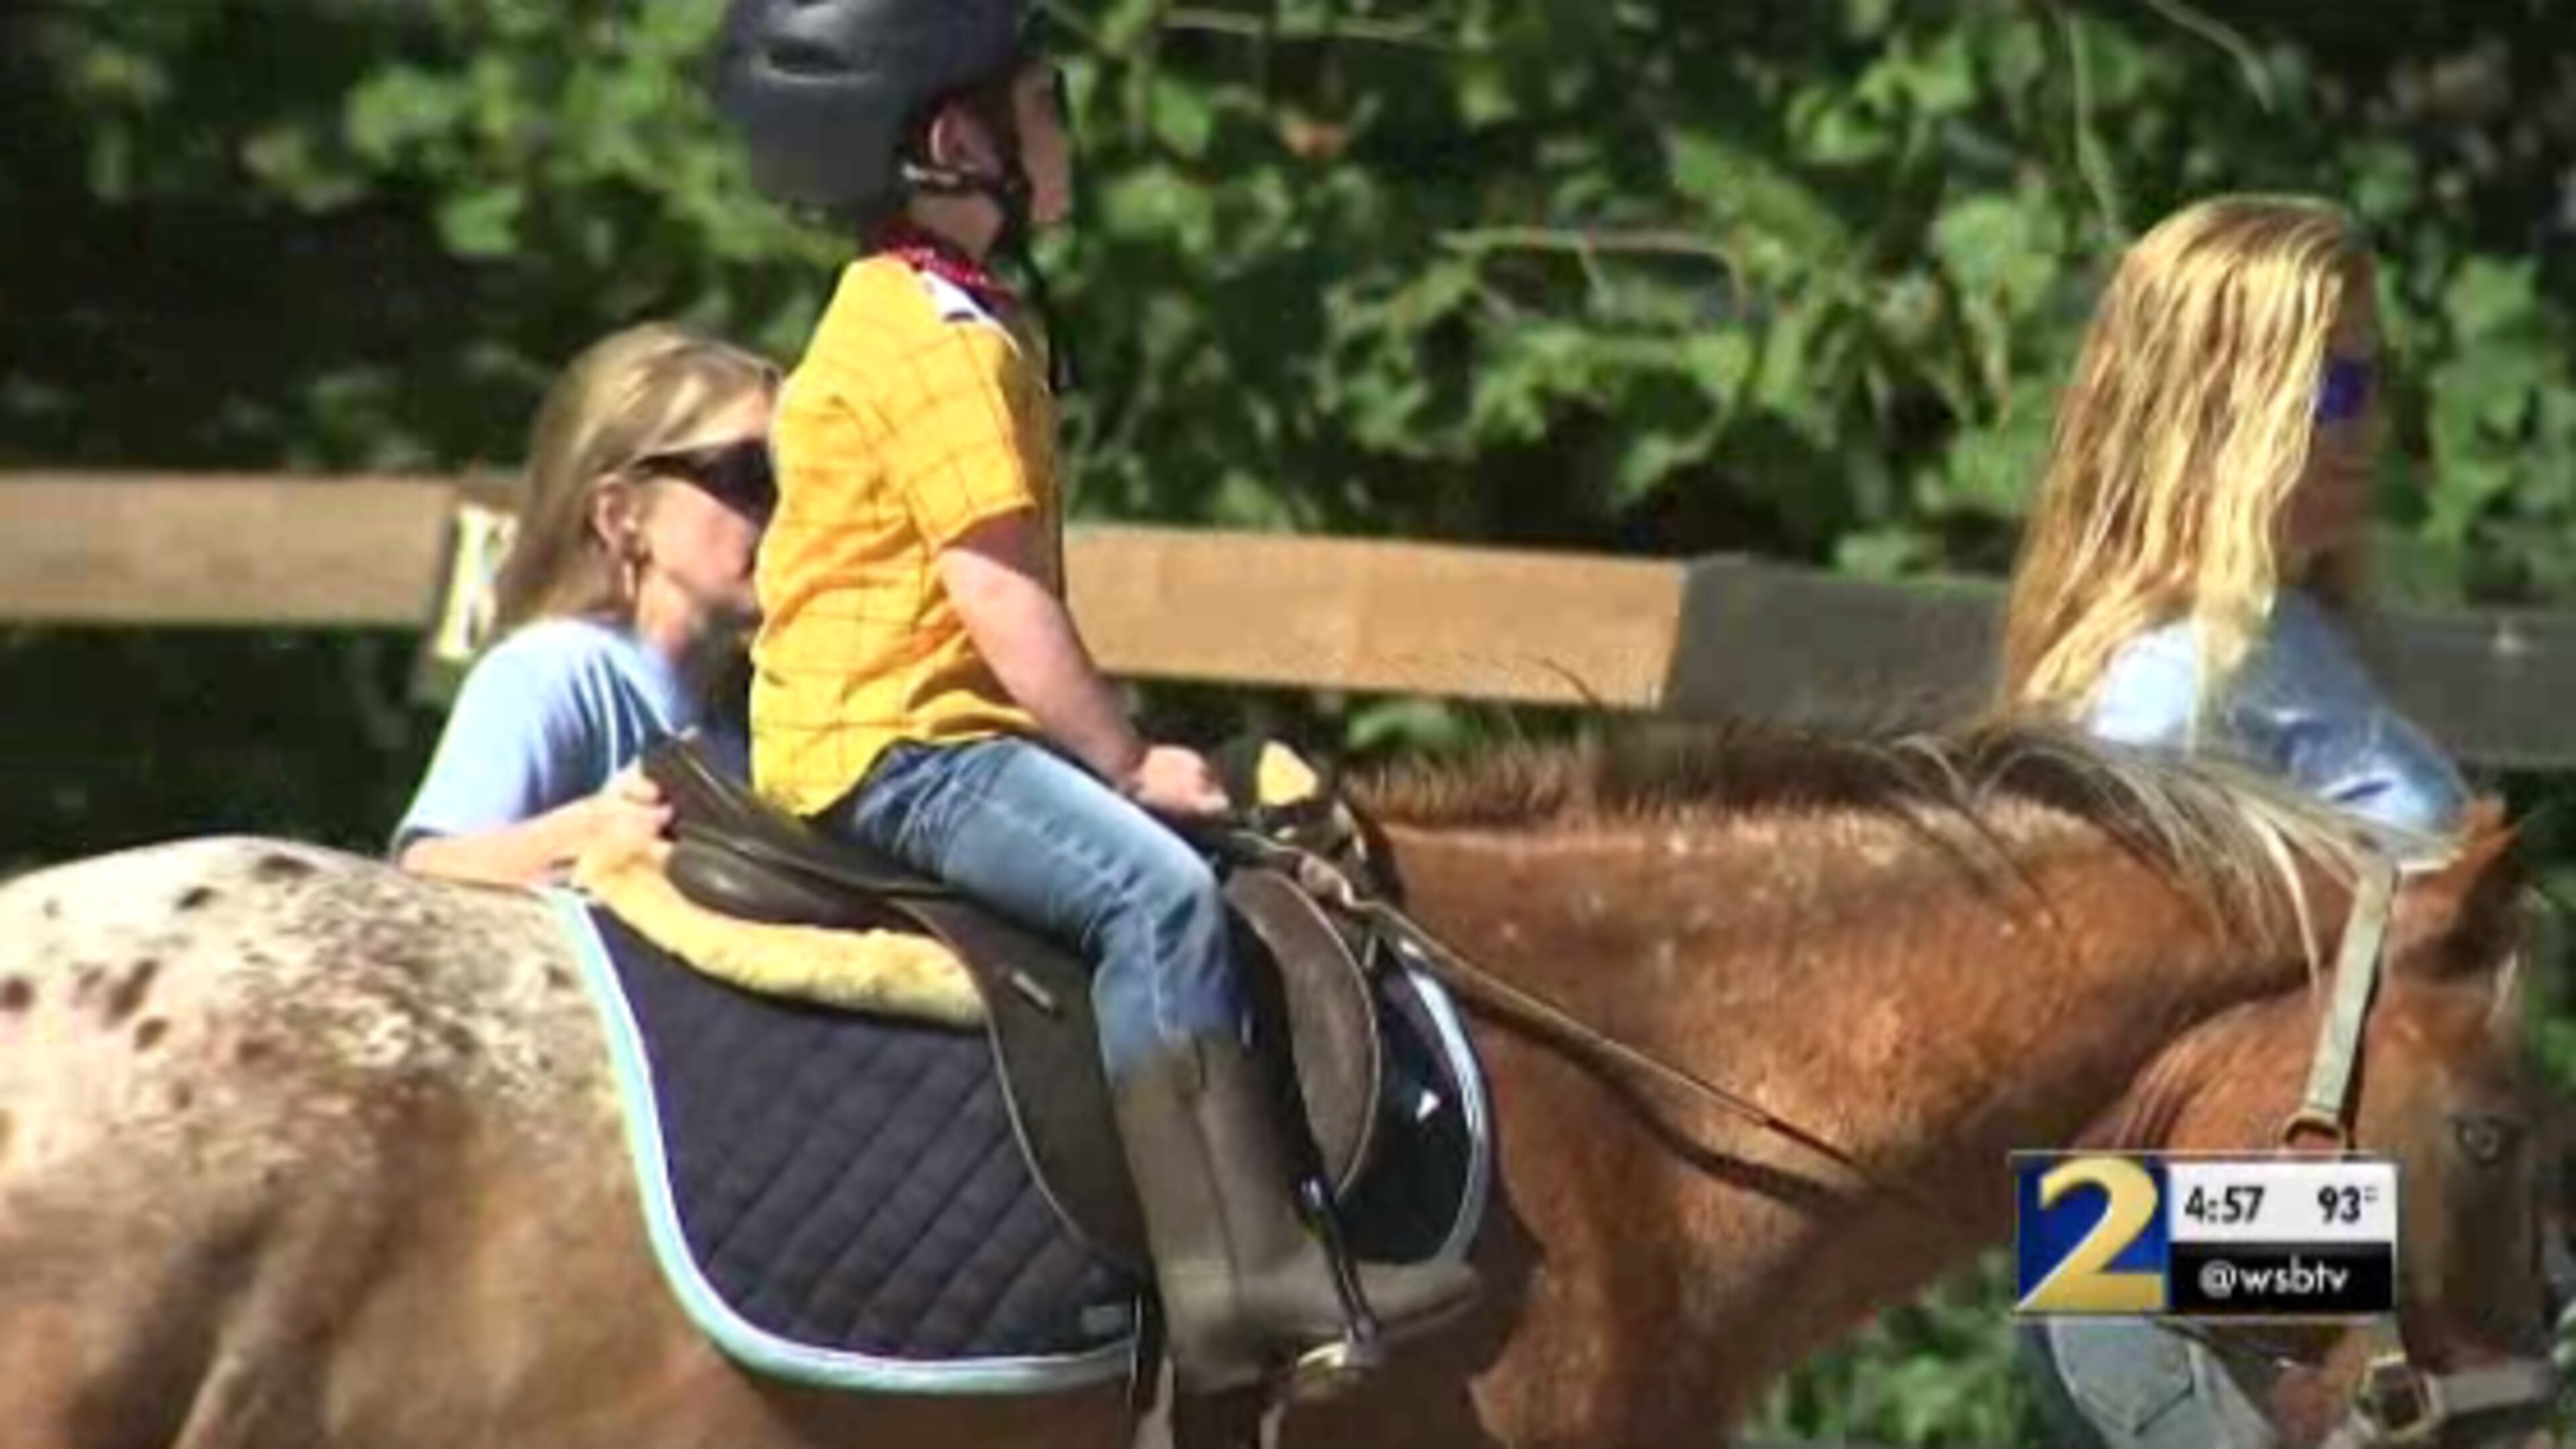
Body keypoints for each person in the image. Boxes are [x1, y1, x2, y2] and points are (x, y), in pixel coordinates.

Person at [708, 0, 1477, 1399]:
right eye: (1041, 102)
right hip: (906, 748)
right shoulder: (940, 346)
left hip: (883, 727)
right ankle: (1236, 1270)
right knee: (1158, 896)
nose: (1063, 128)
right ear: (955, 140)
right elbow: (1004, 599)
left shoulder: (912, 314)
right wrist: (1128, 763)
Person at [1994, 195, 2468, 1446]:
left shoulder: (2288, 647)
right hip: (2165, 1265)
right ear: (2226, 409)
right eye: (2331, 393)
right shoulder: (2165, 683)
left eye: (2370, 383)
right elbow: (2091, 1046)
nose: (2366, 428)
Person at [392, 322, 780, 888]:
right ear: (622, 516)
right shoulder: (552, 672)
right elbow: (420, 876)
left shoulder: (755, 707)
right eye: (751, 475)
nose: (791, 509)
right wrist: (567, 842)